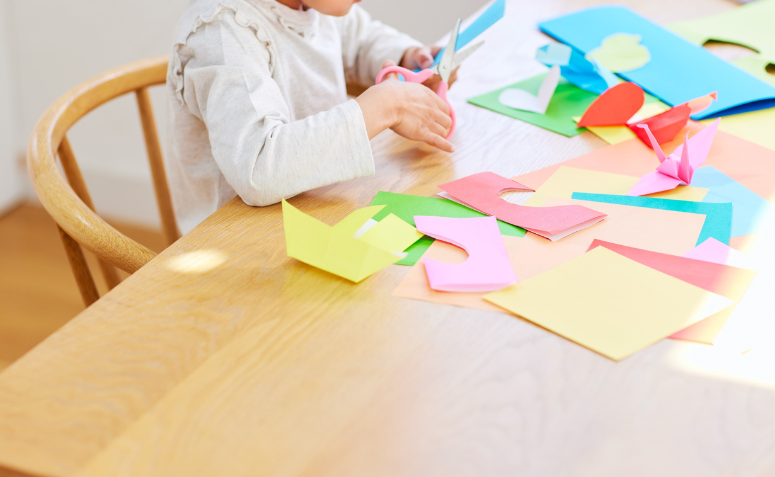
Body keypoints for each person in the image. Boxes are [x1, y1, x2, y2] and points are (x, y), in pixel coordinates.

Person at [167, 0, 457, 233]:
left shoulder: (316, 6)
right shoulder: (221, 32)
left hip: (320, 212)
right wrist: (384, 107)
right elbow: (258, 169)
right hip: (239, 243)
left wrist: (409, 57)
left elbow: (362, 40)